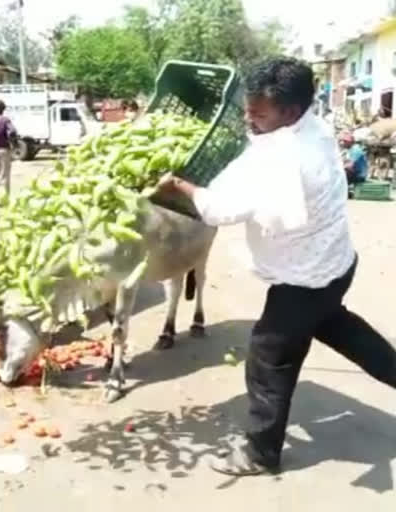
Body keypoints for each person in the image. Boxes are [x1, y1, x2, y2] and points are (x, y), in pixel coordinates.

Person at [156, 57, 396, 477]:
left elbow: (218, 209)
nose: (248, 117)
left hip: (302, 279)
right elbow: (255, 156)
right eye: (247, 107)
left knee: (269, 357)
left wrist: (180, 185)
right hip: (335, 265)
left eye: (258, 113)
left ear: (289, 112)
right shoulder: (313, 128)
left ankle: (261, 452)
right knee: (341, 328)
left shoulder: (285, 161)